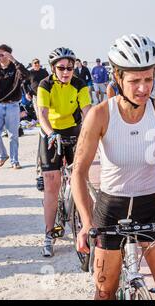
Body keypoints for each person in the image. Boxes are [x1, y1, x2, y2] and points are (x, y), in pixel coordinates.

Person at [71, 34, 155, 300]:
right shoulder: (100, 114)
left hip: (150, 207)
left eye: (148, 79)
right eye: (134, 81)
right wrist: (85, 222)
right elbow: (78, 173)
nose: (143, 88)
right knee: (105, 293)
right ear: (117, 77)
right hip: (110, 208)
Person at [37, 47, 92, 257]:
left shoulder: (79, 84)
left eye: (70, 67)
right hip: (51, 132)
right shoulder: (45, 84)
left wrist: (91, 131)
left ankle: (87, 225)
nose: (66, 71)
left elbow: (87, 112)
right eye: (61, 68)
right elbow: (42, 114)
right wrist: (50, 133)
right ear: (53, 69)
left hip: (73, 130)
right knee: (52, 182)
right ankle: (49, 233)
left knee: (81, 178)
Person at [0, 44, 30, 169]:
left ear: (9, 55)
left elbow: (27, 75)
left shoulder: (16, 69)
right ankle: (2, 155)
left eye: (1, 54)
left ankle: (15, 161)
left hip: (13, 106)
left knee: (13, 135)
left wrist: (14, 61)